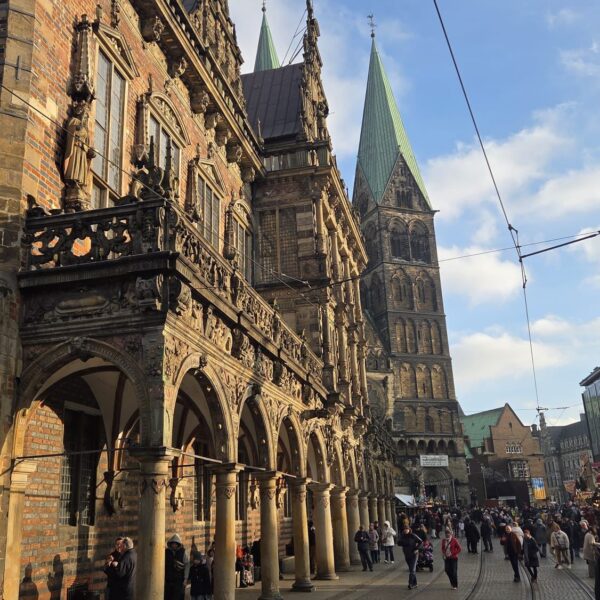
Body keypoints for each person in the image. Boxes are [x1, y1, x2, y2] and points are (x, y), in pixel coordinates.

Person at [165, 533, 190, 600]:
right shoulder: (167, 552)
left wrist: (185, 579)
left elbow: (187, 565)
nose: (174, 545)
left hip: (179, 580)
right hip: (168, 580)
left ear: (178, 544)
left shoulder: (183, 552)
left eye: (175, 544)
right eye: (173, 544)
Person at [397, 525, 422, 590]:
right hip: (407, 555)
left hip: (414, 555)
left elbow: (420, 541)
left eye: (407, 529)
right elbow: (398, 543)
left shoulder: (413, 535)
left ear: (409, 529)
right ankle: (415, 583)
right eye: (404, 529)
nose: (406, 530)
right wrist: (400, 540)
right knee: (411, 570)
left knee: (412, 570)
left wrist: (417, 548)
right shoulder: (402, 536)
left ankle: (410, 584)